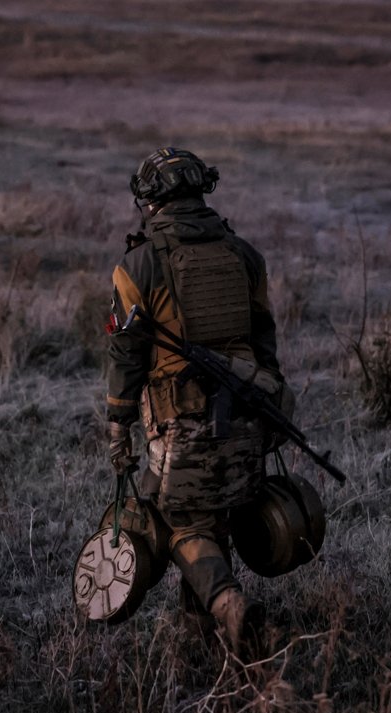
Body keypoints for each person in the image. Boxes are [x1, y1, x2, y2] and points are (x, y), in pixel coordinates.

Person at [105, 147, 284, 658]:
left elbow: (124, 353)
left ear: (150, 200)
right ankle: (199, 639)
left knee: (179, 521)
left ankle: (228, 604)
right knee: (212, 518)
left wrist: (118, 426)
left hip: (180, 423)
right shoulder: (244, 254)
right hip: (249, 416)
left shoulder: (138, 263)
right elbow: (265, 344)